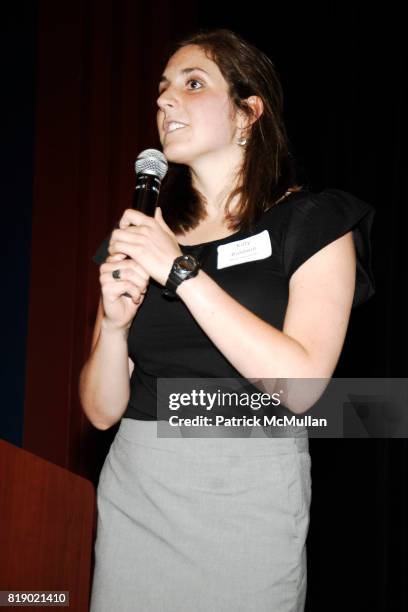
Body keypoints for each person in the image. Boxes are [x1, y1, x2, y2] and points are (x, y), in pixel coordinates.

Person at [79, 28, 375, 612]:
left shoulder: (311, 222)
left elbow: (303, 387)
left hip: (249, 484)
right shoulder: (144, 235)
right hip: (140, 483)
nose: (165, 101)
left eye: (193, 85)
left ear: (248, 112)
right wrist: (113, 330)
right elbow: (100, 409)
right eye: (162, 90)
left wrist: (182, 273)